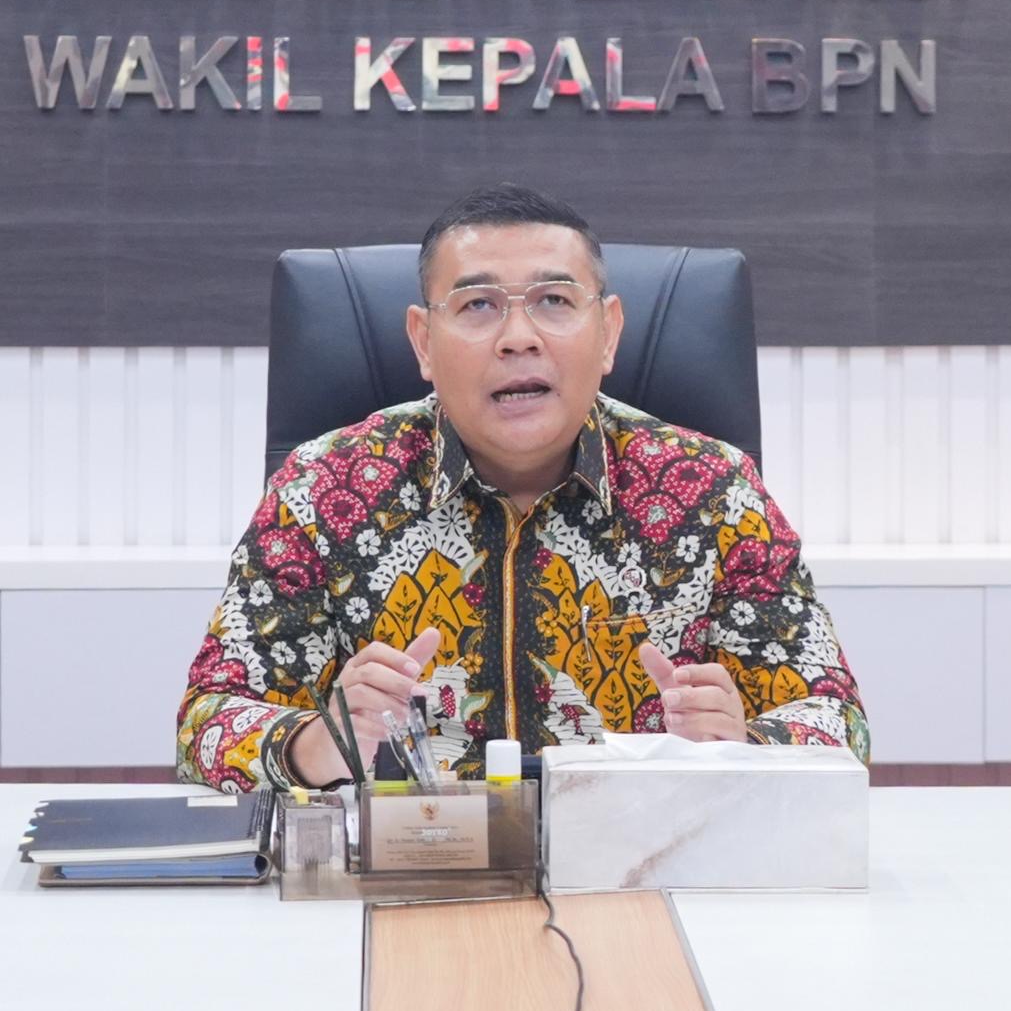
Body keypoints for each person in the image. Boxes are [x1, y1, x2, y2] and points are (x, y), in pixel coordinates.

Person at [175, 184, 869, 792]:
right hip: (405, 875)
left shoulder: (712, 492)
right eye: (478, 304)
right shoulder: (325, 489)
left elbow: (838, 724)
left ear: (609, 332)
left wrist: (745, 747)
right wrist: (314, 745)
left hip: (638, 875)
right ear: (423, 341)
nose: (517, 337)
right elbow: (206, 725)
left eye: (554, 301)